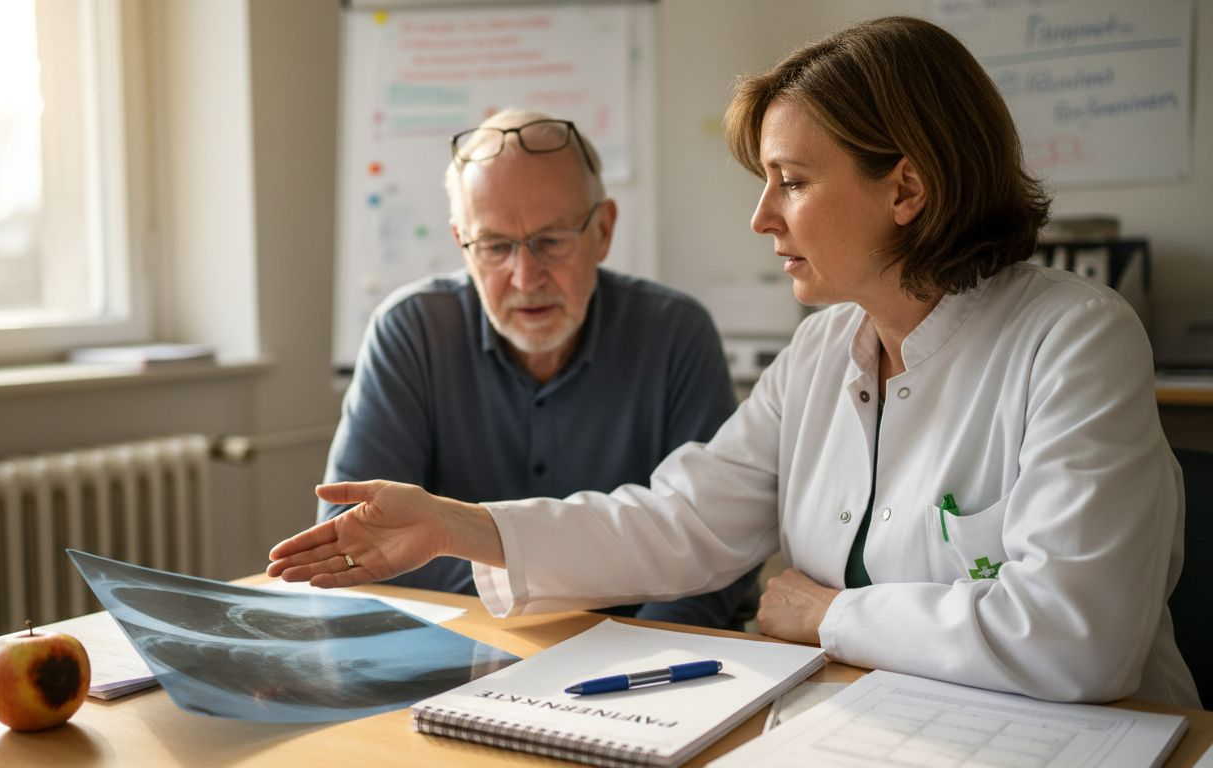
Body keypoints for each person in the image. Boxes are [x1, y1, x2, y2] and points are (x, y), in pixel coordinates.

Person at [271, 17, 1199, 707]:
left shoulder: (1074, 339)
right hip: (873, 724)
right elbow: (679, 521)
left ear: (906, 188)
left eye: (791, 181)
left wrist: (823, 614)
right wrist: (458, 524)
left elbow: (1080, 643)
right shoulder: (824, 350)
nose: (762, 217)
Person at [320, 108, 759, 630]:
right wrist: (583, 596)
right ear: (463, 244)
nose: (525, 277)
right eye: (495, 246)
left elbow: (717, 551)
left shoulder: (676, 334)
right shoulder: (411, 331)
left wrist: (637, 649)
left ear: (603, 230)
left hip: (639, 664)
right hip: (462, 652)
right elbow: (356, 544)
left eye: (551, 241)